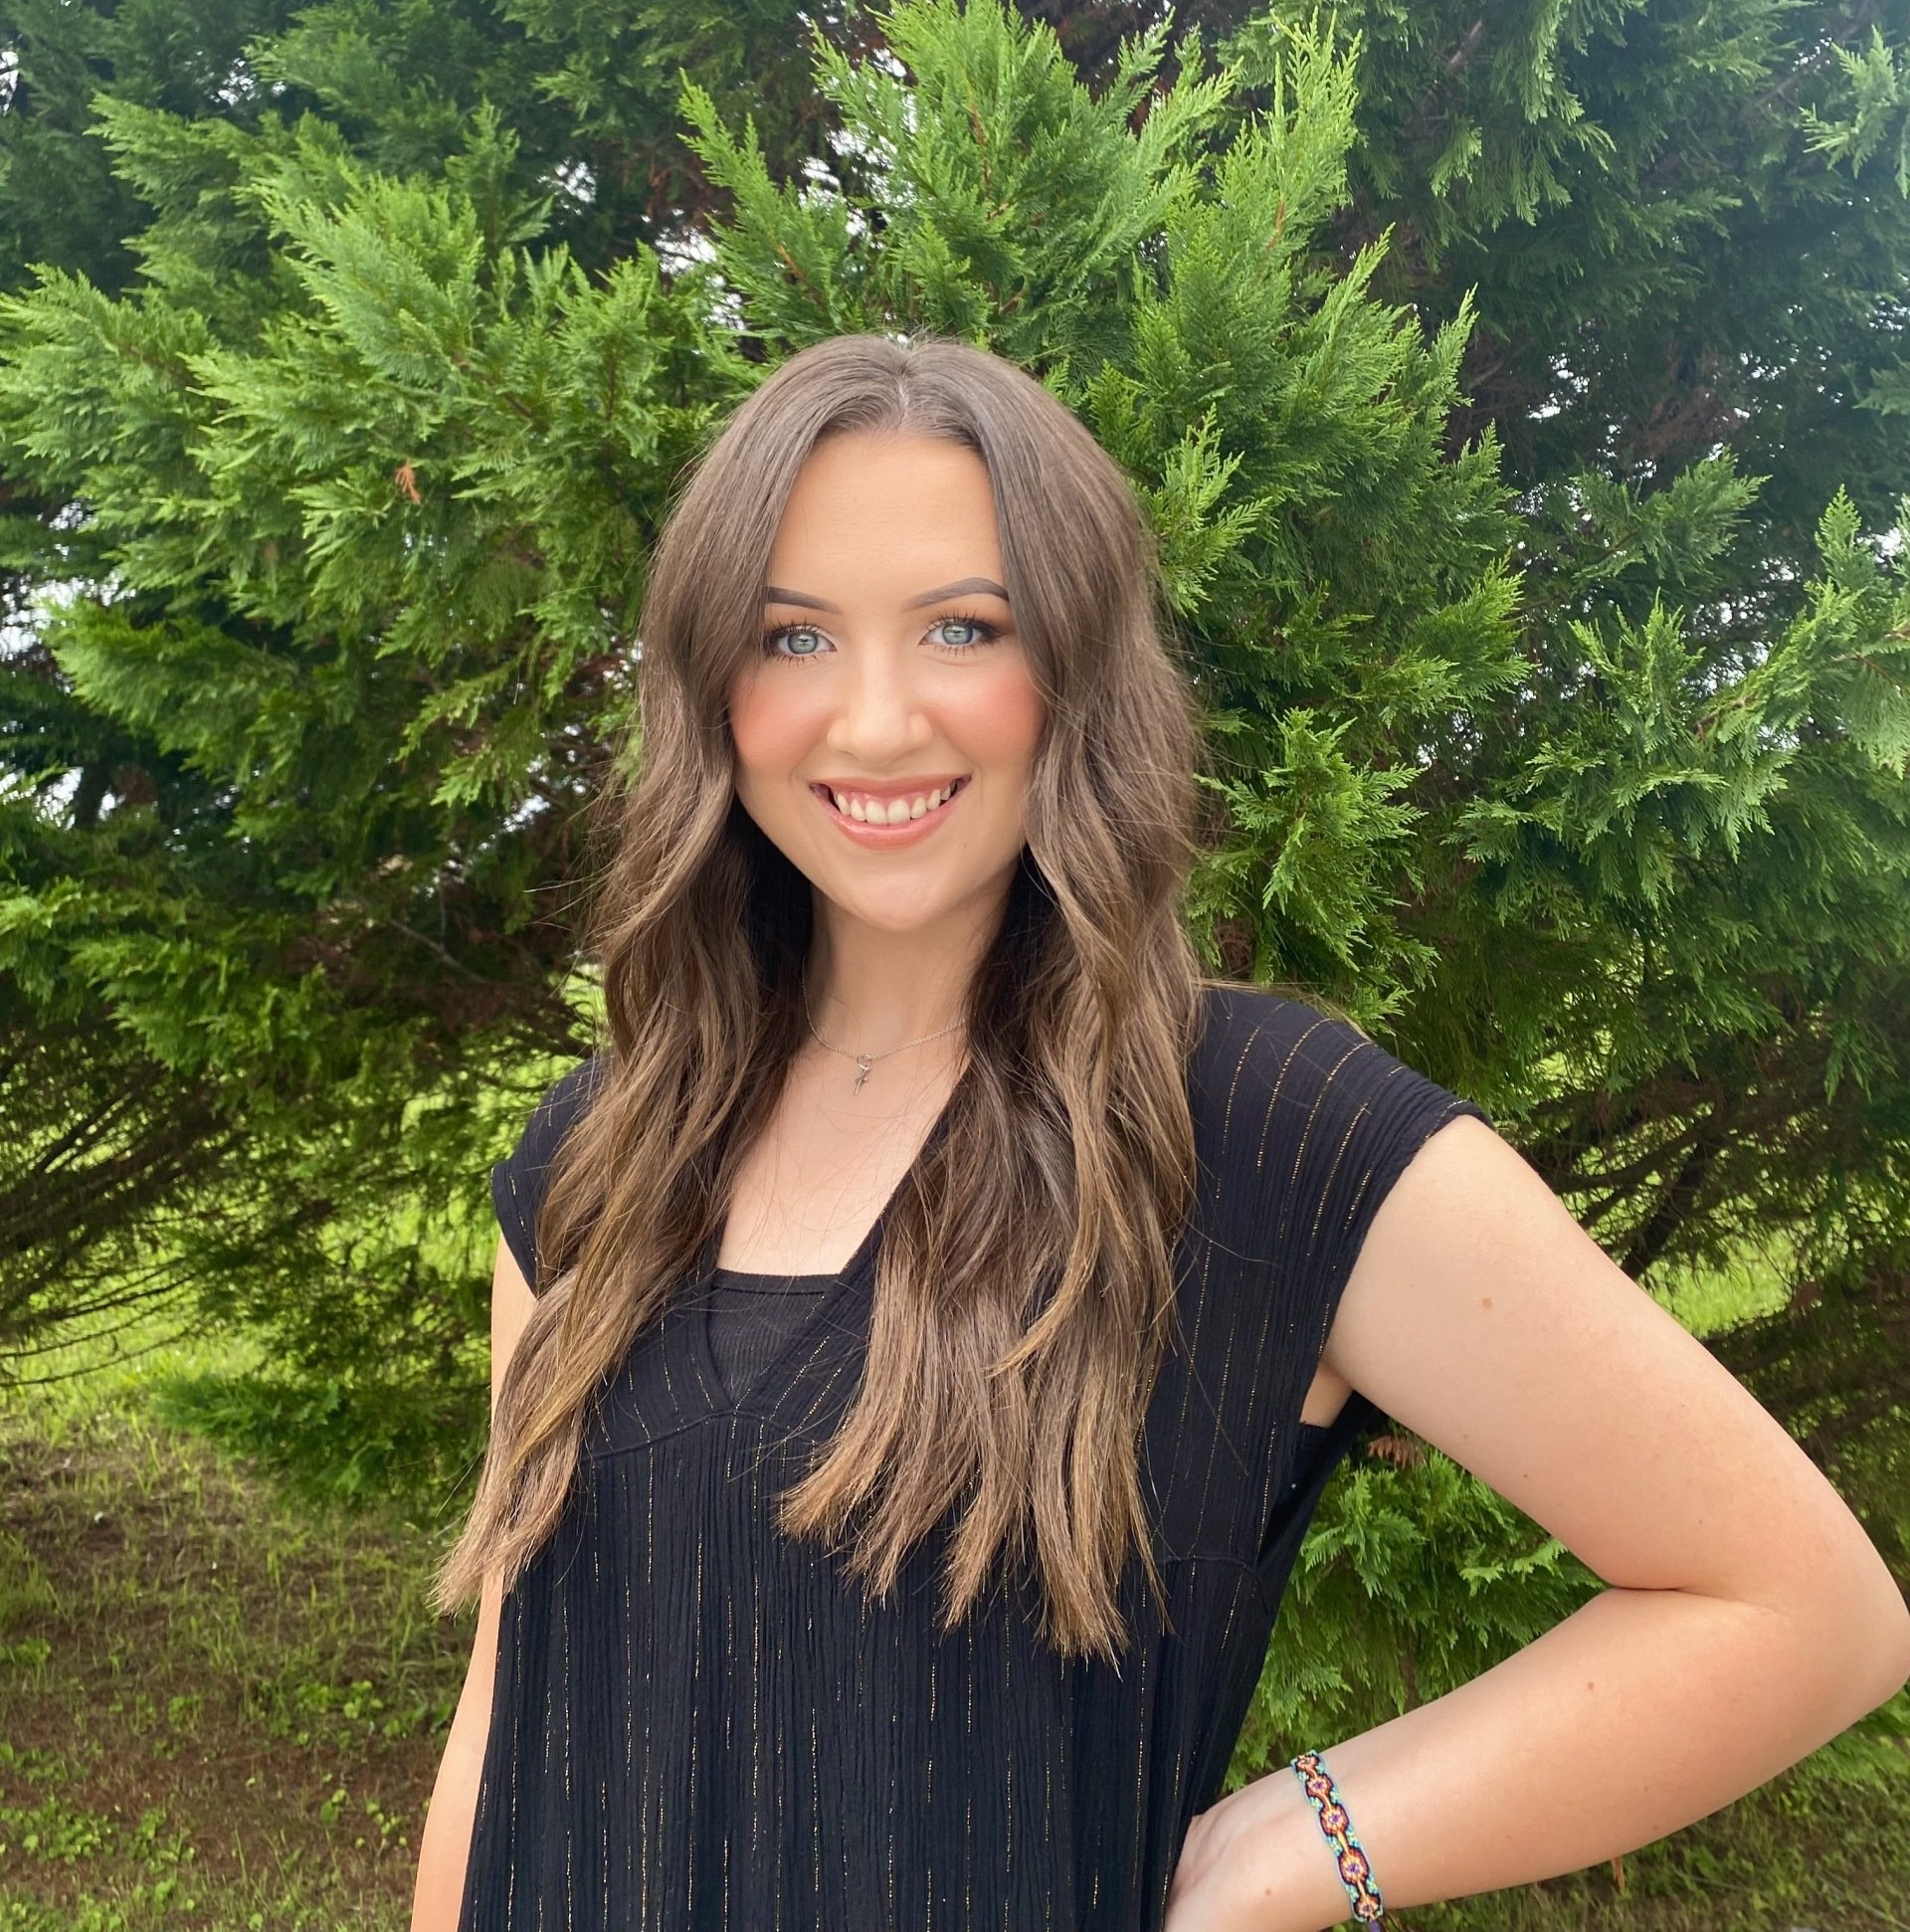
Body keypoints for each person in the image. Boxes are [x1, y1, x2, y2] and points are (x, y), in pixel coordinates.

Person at [411, 332, 1910, 1932]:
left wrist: (1289, 1851)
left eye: (963, 627)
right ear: (713, 685)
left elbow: (1799, 1607)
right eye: (794, 636)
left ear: (1076, 665)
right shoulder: (601, 1151)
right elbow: (516, 1696)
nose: (876, 719)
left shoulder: (1261, 1129)